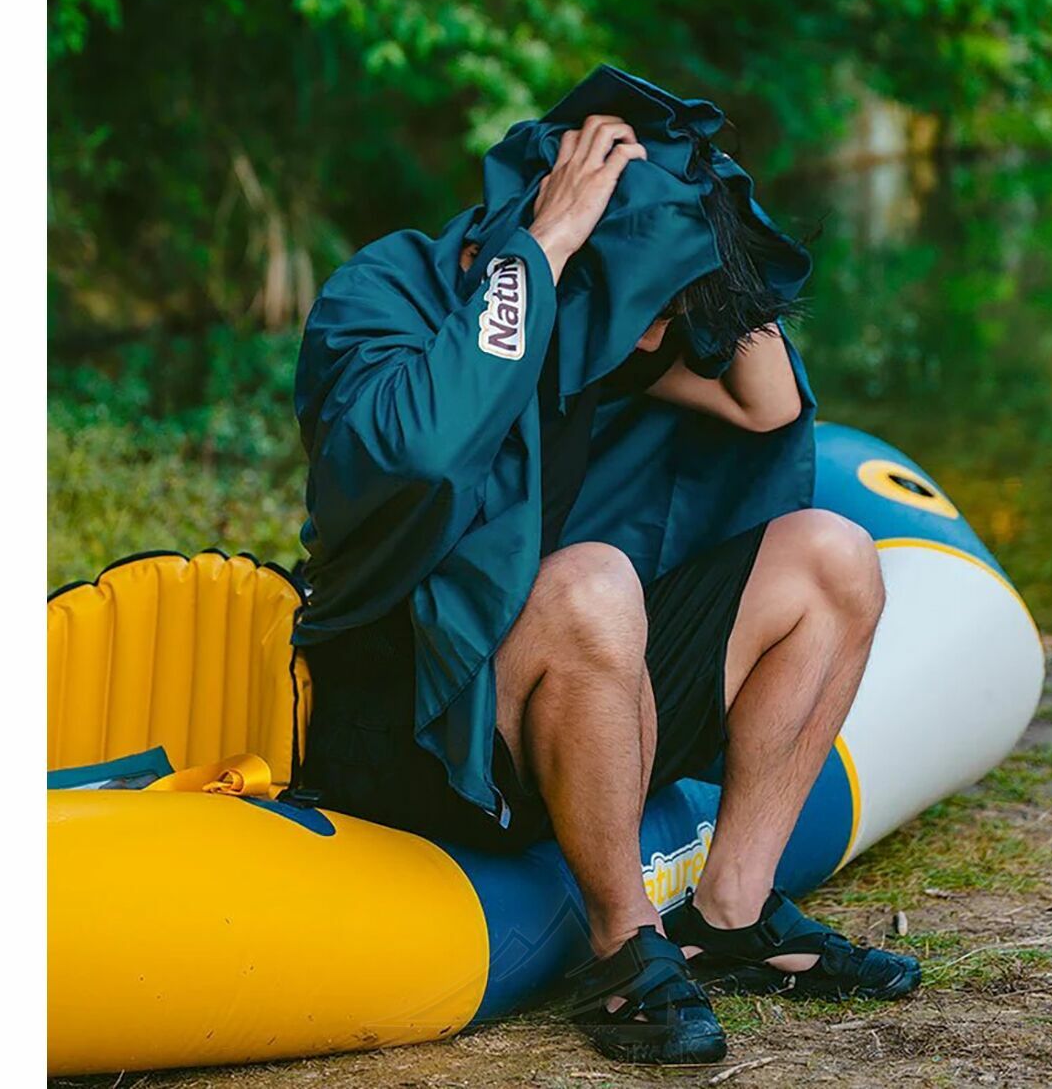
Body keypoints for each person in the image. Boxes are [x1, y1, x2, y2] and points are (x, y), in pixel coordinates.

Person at [291, 67, 917, 1065]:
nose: (666, 337)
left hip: (565, 687)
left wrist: (709, 224)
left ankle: (732, 913)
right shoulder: (384, 292)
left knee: (832, 557)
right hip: (411, 720)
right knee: (593, 579)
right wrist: (543, 244)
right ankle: (624, 947)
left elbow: (765, 407)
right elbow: (419, 455)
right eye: (650, 306)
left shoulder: (599, 339)